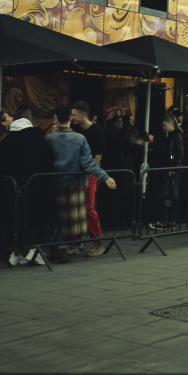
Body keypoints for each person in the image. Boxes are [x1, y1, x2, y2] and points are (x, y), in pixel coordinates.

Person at [45, 106, 115, 263]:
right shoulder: (79, 139)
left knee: (57, 217)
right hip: (75, 184)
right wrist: (105, 177)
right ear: (70, 118)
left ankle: (60, 247)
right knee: (71, 218)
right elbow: (89, 163)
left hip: (55, 183)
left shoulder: (50, 138)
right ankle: (65, 247)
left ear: (56, 119)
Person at [0, 110, 55, 265]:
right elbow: (46, 163)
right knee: (37, 218)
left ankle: (15, 253)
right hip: (34, 188)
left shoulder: (7, 141)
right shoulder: (36, 139)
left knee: (16, 220)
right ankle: (34, 251)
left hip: (10, 189)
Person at [71, 101, 108, 256]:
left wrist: (91, 174)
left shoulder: (96, 131)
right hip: (76, 172)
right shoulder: (74, 129)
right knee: (73, 207)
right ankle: (72, 243)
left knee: (88, 208)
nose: (71, 117)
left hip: (89, 173)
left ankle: (97, 242)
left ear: (83, 114)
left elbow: (98, 155)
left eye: (74, 114)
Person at [149, 115, 183, 230]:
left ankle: (166, 221)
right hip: (171, 168)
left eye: (165, 125)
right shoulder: (173, 136)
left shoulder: (176, 135)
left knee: (166, 194)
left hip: (172, 169)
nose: (163, 127)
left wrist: (174, 168)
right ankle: (170, 221)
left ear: (170, 123)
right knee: (170, 194)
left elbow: (180, 154)